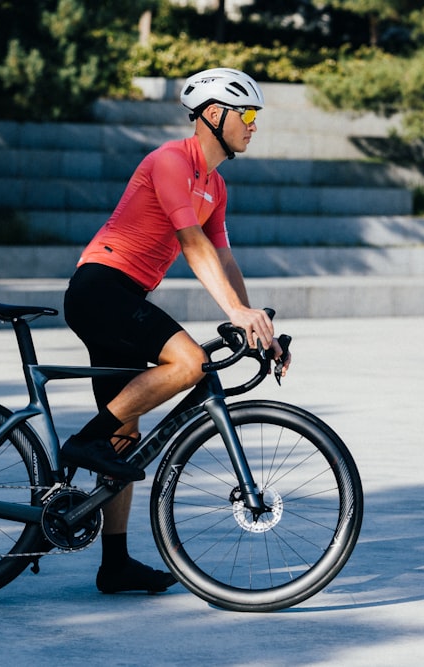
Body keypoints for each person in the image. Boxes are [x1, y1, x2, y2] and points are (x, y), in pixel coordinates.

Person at [61, 67, 290, 595]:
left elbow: (223, 258)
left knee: (125, 439)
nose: (254, 125)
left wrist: (255, 323)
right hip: (100, 289)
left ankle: (113, 564)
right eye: (247, 114)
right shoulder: (169, 162)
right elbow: (191, 244)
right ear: (214, 115)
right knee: (189, 364)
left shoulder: (216, 184)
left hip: (125, 298)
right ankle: (83, 442)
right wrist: (234, 311)